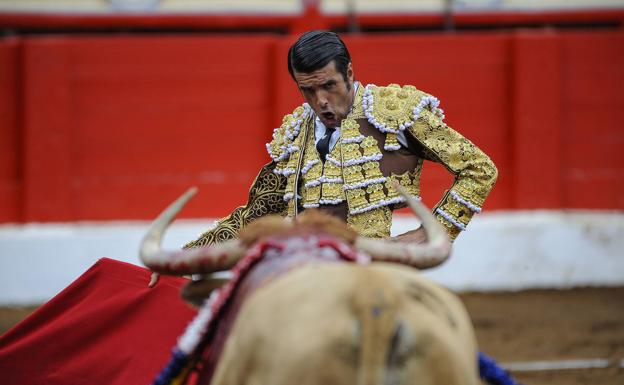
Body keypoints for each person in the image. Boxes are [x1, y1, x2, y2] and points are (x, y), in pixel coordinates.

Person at [184, 30, 497, 248]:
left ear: (349, 73)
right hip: (304, 267)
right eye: (308, 90)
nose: (320, 100)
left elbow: (479, 169)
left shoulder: (393, 112)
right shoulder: (297, 132)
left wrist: (432, 233)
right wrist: (187, 256)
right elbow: (258, 213)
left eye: (329, 86)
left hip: (372, 270)